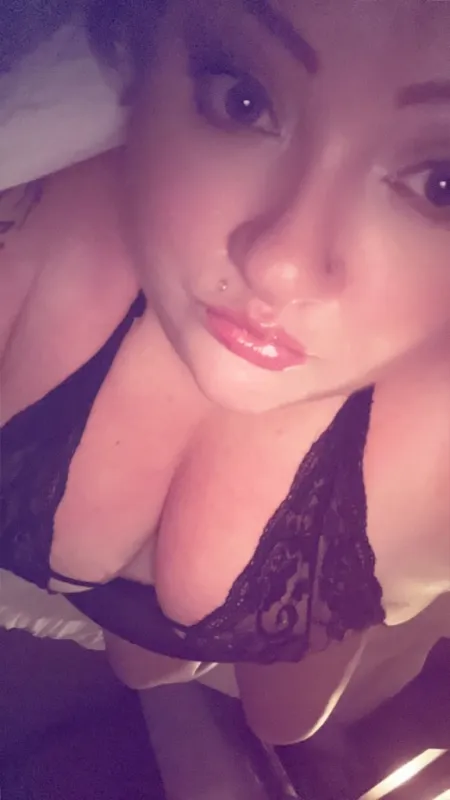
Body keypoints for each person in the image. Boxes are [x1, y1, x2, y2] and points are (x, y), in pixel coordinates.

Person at [1, 0, 449, 745]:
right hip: (116, 599)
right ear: (141, 51)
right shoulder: (32, 245)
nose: (280, 265)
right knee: (143, 667)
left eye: (441, 184)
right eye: (242, 99)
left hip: (321, 578)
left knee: (284, 724)